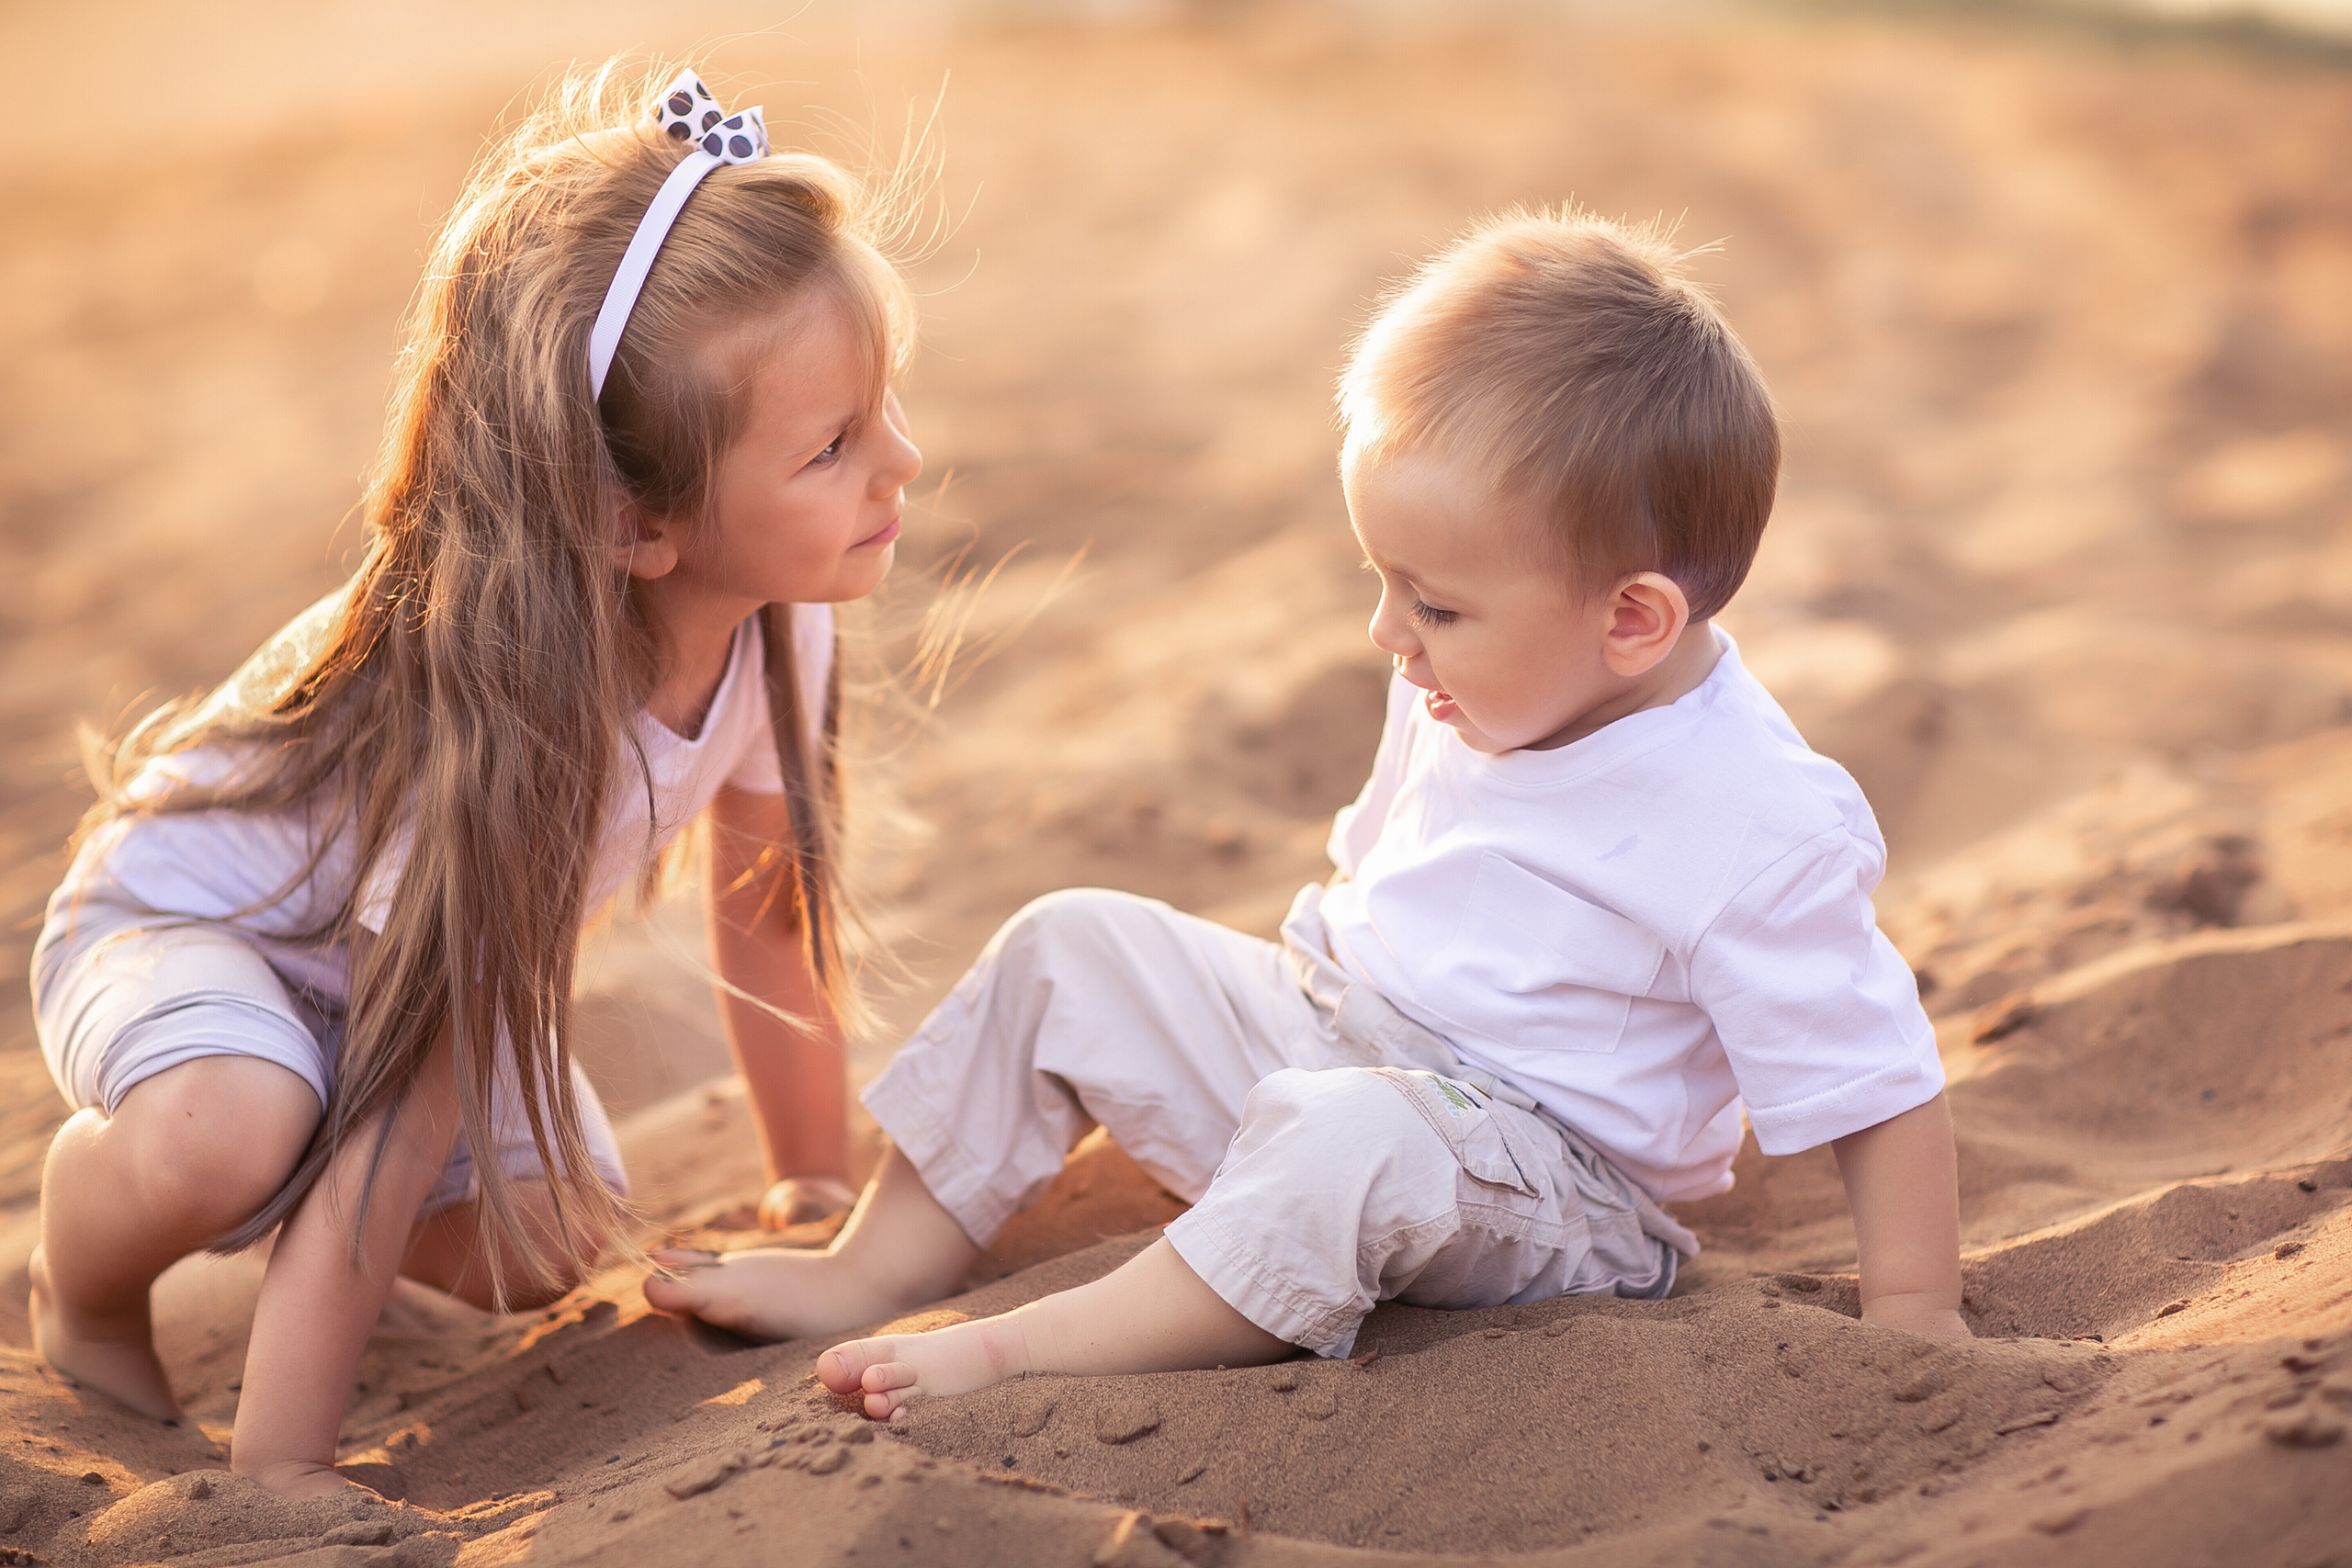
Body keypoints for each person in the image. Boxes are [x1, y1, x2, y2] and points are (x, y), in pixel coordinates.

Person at [647, 210, 1969, 1418]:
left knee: (1351, 1138)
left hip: (1552, 1183)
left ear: (1633, 618)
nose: (1388, 632)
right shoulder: (1478, 677)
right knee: (1070, 943)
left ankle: (1025, 1345)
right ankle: (870, 1267)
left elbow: (1877, 1080)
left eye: (1435, 603)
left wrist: (1916, 1312)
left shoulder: (1749, 817)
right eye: (1384, 578)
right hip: (1339, 1036)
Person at [27, 64, 921, 1493]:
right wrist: (283, 1471)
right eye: (835, 448)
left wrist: (811, 1179)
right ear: (635, 521)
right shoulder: (526, 730)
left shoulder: (780, 629)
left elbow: (764, 911)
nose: (906, 464)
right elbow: (410, 1108)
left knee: (548, 1240)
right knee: (231, 1130)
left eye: (883, 415)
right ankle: (88, 1254)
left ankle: (284, 1165)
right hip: (194, 927)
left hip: (389, 988)